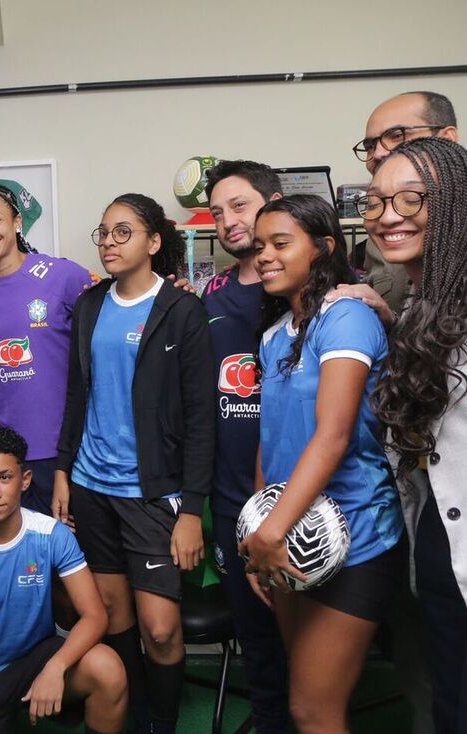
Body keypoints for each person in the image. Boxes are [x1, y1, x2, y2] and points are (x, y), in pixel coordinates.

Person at [242, 194, 404, 734]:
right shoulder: (272, 337)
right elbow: (270, 440)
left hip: (356, 535)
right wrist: (260, 530)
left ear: (324, 248)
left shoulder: (347, 317)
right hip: (291, 535)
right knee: (306, 701)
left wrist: (272, 531)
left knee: (314, 711)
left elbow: (333, 437)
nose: (264, 255)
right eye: (260, 245)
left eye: (281, 243)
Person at [55, 193, 212, 734]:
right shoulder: (91, 305)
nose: (108, 243)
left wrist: (191, 509)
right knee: (113, 618)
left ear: (153, 241)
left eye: (122, 232)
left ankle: (161, 724)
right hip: (90, 485)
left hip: (151, 491)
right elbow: (77, 395)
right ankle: (135, 717)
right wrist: (62, 472)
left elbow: (200, 416)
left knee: (162, 630)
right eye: (103, 233)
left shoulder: (181, 309)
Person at [0, 426, 127, 734]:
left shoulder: (51, 535)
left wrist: (56, 667)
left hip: (35, 658)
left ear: (25, 480)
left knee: (107, 669)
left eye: (5, 477)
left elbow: (95, 615)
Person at [366, 136, 467, 732]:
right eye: (376, 202)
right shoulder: (418, 307)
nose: (389, 216)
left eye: (410, 198)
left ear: (453, 202)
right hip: (438, 540)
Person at [200, 161, 290, 732]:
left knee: (310, 636)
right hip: (234, 497)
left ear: (274, 203)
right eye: (218, 212)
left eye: (240, 205)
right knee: (256, 634)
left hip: (310, 499)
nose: (228, 220)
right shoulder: (207, 296)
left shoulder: (316, 291)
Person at [0, 185, 95, 516]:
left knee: (68, 550)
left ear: (17, 221)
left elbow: (116, 313)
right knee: (22, 555)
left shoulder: (63, 275)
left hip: (62, 448)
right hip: (5, 451)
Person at [342, 92, 459, 316]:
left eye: (396, 135)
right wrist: (390, 321)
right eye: (369, 146)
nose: (378, 153)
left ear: (447, 139)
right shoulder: (383, 230)